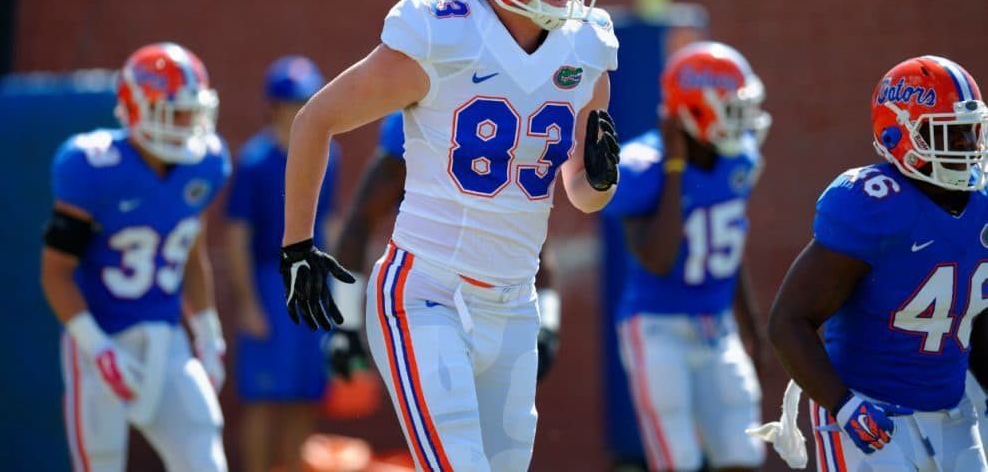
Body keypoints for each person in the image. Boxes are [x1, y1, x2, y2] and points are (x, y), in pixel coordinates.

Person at [279, 0, 621, 469]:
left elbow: (582, 195)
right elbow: (317, 119)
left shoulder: (586, 47)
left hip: (516, 302)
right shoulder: (443, 34)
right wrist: (297, 245)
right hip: (427, 294)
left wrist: (601, 178)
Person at [767, 55, 988, 471]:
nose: (965, 147)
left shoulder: (983, 206)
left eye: (969, 132)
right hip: (870, 411)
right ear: (898, 133)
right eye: (948, 134)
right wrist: (844, 406)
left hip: (954, 412)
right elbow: (789, 320)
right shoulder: (874, 204)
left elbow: (980, 319)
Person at [40, 42, 230, 471]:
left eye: (193, 110)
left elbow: (191, 252)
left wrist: (207, 330)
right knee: (101, 461)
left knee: (203, 450)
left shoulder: (207, 164)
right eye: (175, 111)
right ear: (137, 107)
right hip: (99, 337)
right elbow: (55, 274)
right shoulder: (91, 166)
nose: (188, 123)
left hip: (168, 338)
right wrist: (98, 348)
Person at [602, 41, 770, 472]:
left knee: (742, 450)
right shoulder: (644, 166)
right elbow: (657, 259)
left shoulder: (740, 158)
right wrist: (676, 169)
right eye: (732, 109)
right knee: (677, 458)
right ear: (694, 111)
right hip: (657, 326)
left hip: (718, 326)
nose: (744, 121)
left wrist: (752, 328)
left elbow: (729, 247)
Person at [326, 110, 561, 384]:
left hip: (499, 296)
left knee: (497, 420)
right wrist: (346, 324)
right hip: (430, 296)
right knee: (444, 411)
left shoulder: (512, 124)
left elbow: (532, 240)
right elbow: (360, 224)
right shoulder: (416, 123)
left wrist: (547, 324)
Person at [224, 56, 340, 472]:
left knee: (304, 398)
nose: (301, 111)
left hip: (312, 288)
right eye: (293, 103)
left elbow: (330, 223)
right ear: (272, 106)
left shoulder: (330, 155)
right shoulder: (254, 162)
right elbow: (237, 236)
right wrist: (249, 303)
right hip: (269, 287)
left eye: (308, 101)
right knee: (263, 399)